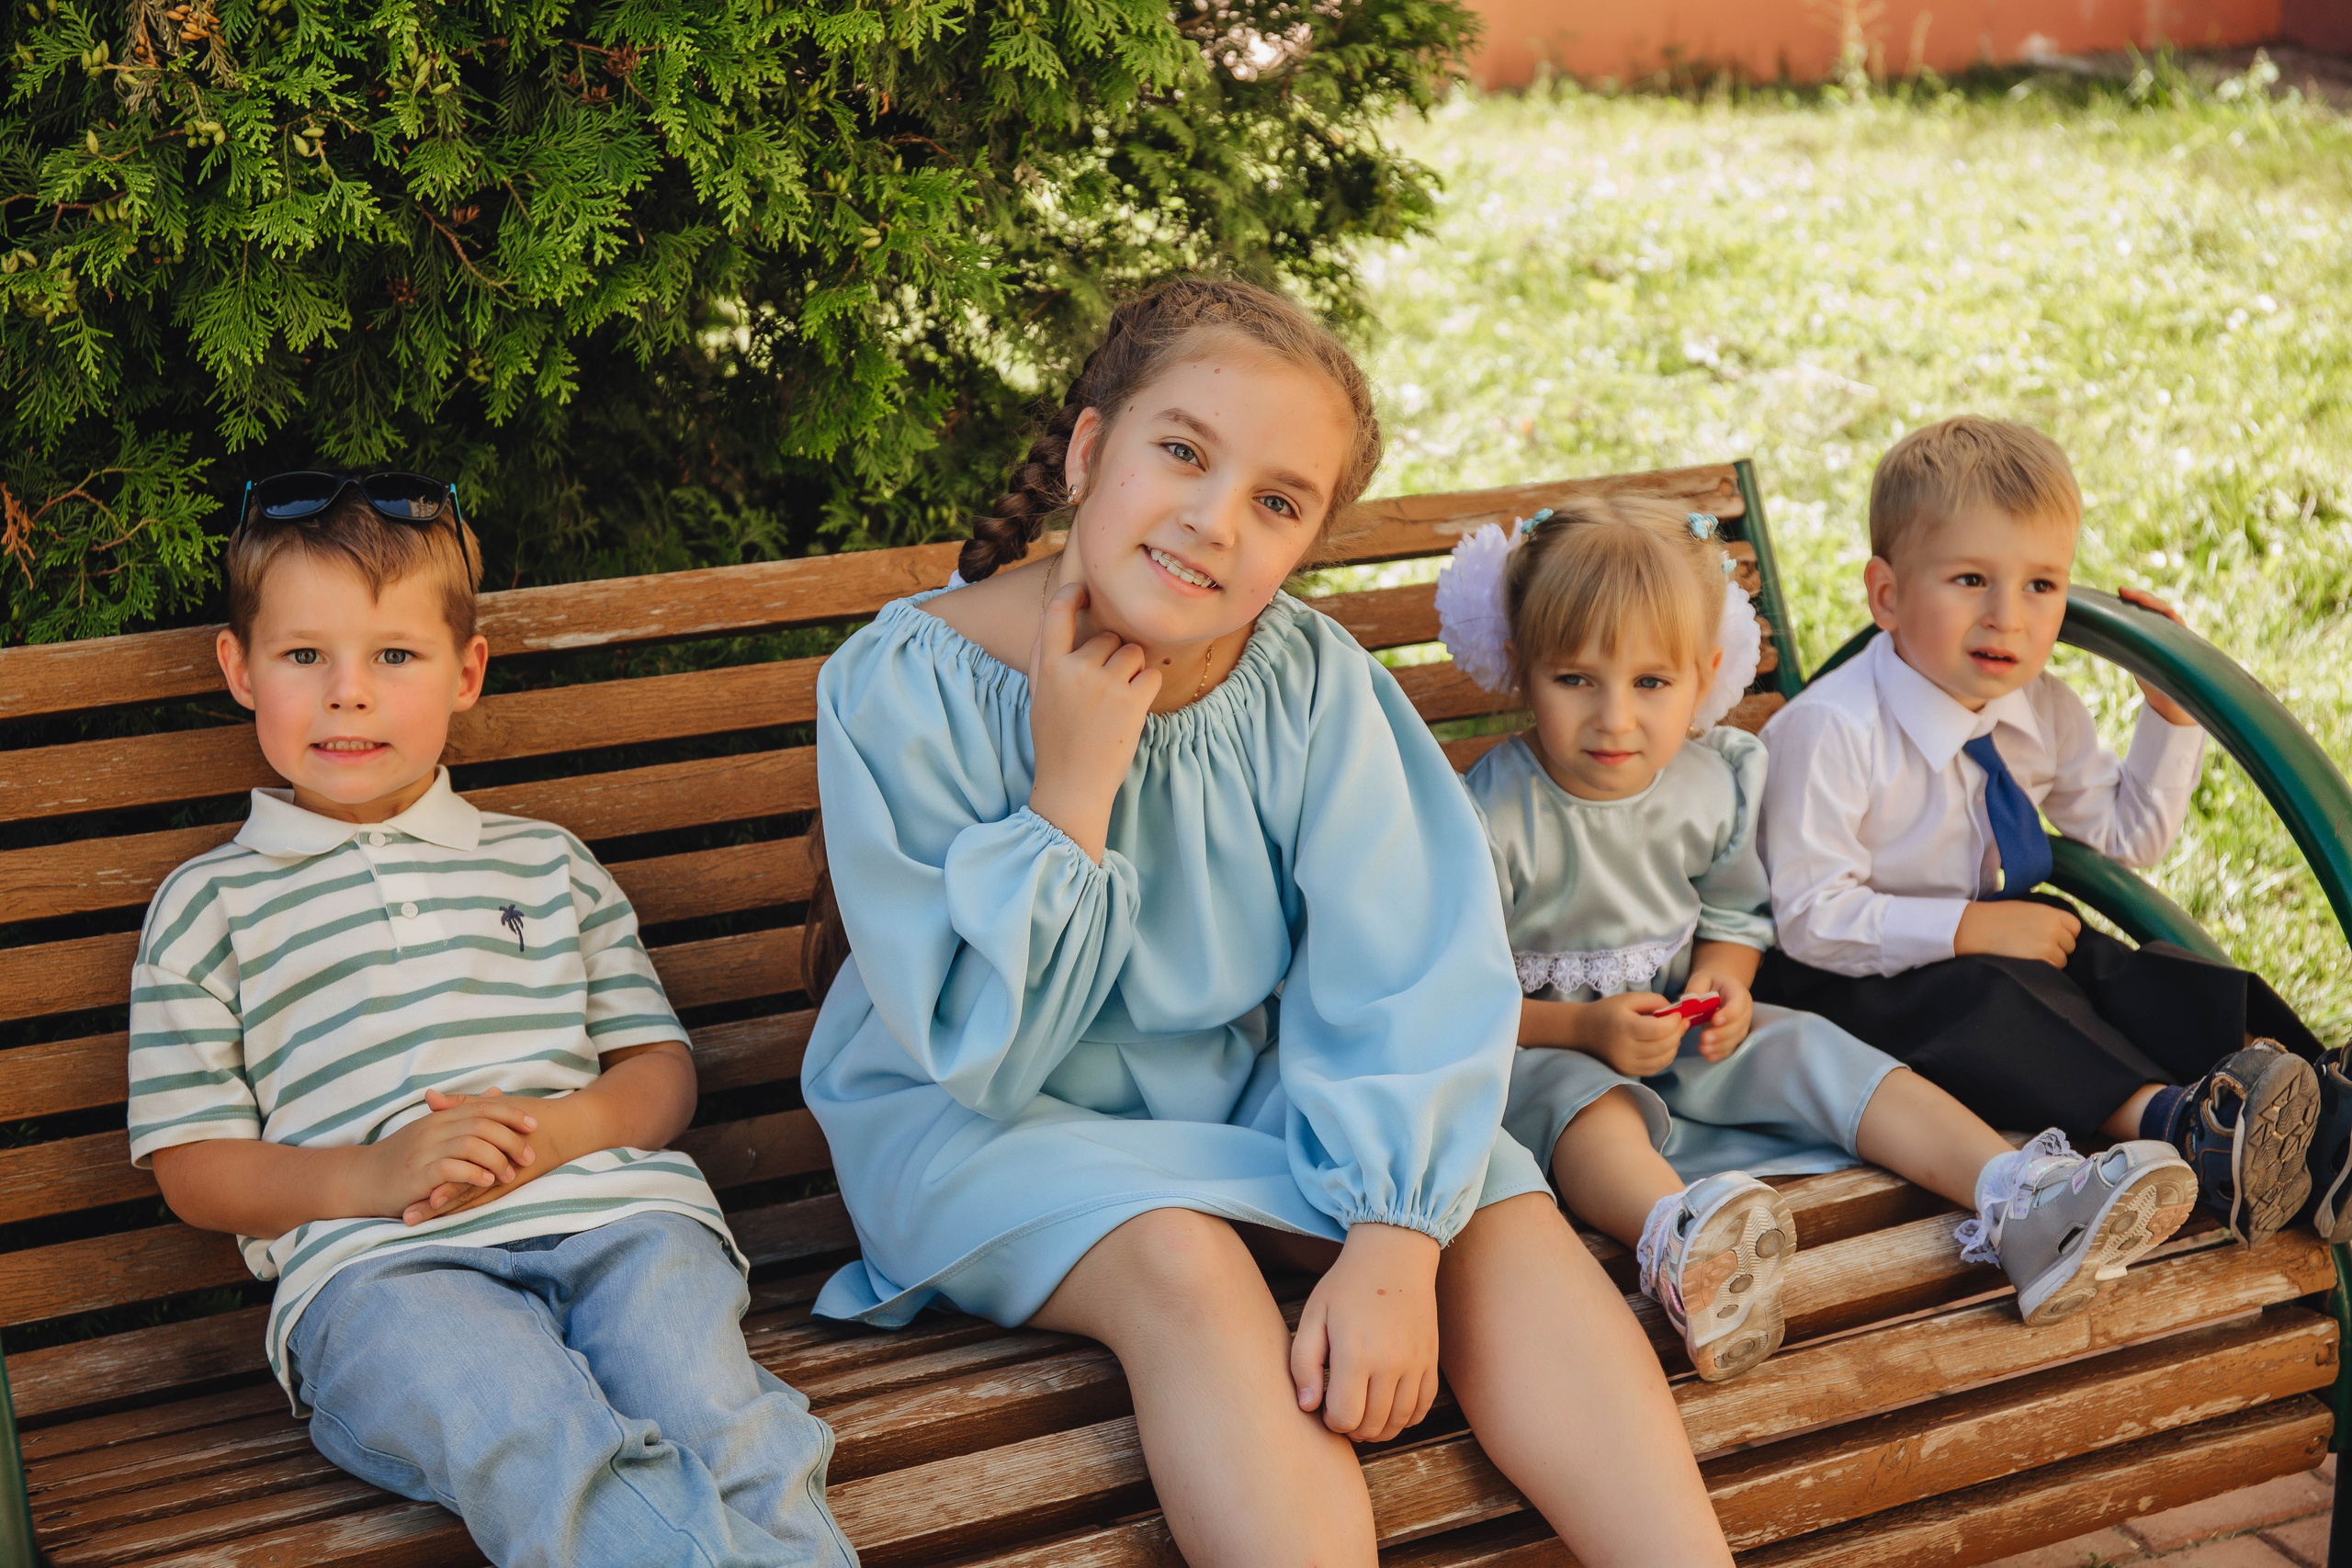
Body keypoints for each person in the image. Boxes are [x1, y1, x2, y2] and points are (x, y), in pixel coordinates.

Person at [801, 276, 1733, 1567]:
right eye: (1183, 452)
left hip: (1229, 1091)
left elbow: (1408, 961)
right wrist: (1071, 788)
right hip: (973, 1124)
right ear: (1088, 450)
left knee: (1487, 1200)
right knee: (1183, 1260)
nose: (1213, 520)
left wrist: (1394, 1238)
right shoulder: (899, 683)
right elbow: (978, 1048)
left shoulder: (1308, 681)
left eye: (1278, 502)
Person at [128, 475, 855, 1568]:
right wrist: (371, 1176)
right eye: (304, 655)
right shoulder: (207, 906)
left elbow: (660, 1073)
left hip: (624, 1226)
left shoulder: (547, 862)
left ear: (466, 672)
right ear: (240, 669)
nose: (348, 695)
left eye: (394, 655)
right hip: (381, 1274)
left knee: (722, 1423)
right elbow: (194, 1168)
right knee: (534, 1434)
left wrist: (559, 1132)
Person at [1435, 497, 2195, 1382]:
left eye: (1650, 683)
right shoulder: (1488, 816)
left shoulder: (1710, 783)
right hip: (1539, 1051)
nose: (1615, 717)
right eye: (1575, 680)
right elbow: (1457, 993)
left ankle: (2017, 1194)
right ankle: (1684, 1244)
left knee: (1814, 1047)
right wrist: (1584, 1028)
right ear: (1520, 665)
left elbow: (1733, 917)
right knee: (1591, 1111)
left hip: (1683, 1029)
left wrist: (1725, 980)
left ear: (1704, 674)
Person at [1754, 416, 2348, 1249]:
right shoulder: (1832, 731)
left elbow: (2128, 835)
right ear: (1886, 594)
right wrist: (1967, 928)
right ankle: (2184, 1125)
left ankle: (2317, 1108)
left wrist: (2170, 715)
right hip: (1844, 982)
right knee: (1992, 996)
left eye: (2041, 584)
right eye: (1971, 579)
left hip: (1991, 936)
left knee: (2132, 972)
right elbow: (1809, 917)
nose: (2007, 616)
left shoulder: (2042, 710)